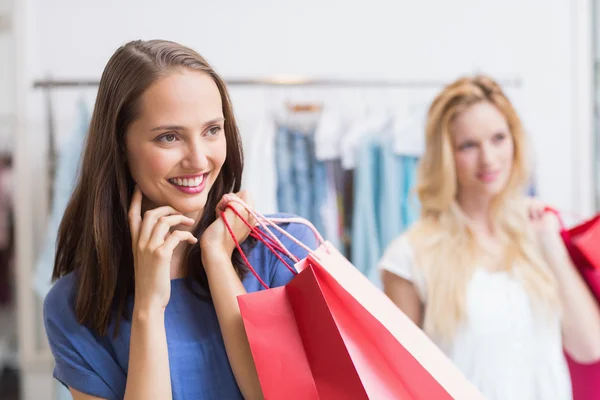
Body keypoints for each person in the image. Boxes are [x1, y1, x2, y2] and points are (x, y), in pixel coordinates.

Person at [43, 39, 318, 400]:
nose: (199, 159)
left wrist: (218, 260)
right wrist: (148, 308)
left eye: (212, 130)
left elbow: (276, 396)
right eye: (169, 137)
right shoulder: (74, 304)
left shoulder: (285, 249)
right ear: (120, 147)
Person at [379, 75, 600, 400]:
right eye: (468, 145)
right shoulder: (409, 256)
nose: (489, 158)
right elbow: (395, 383)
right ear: (446, 156)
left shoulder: (537, 237)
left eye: (498, 138)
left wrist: (551, 247)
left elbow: (589, 346)